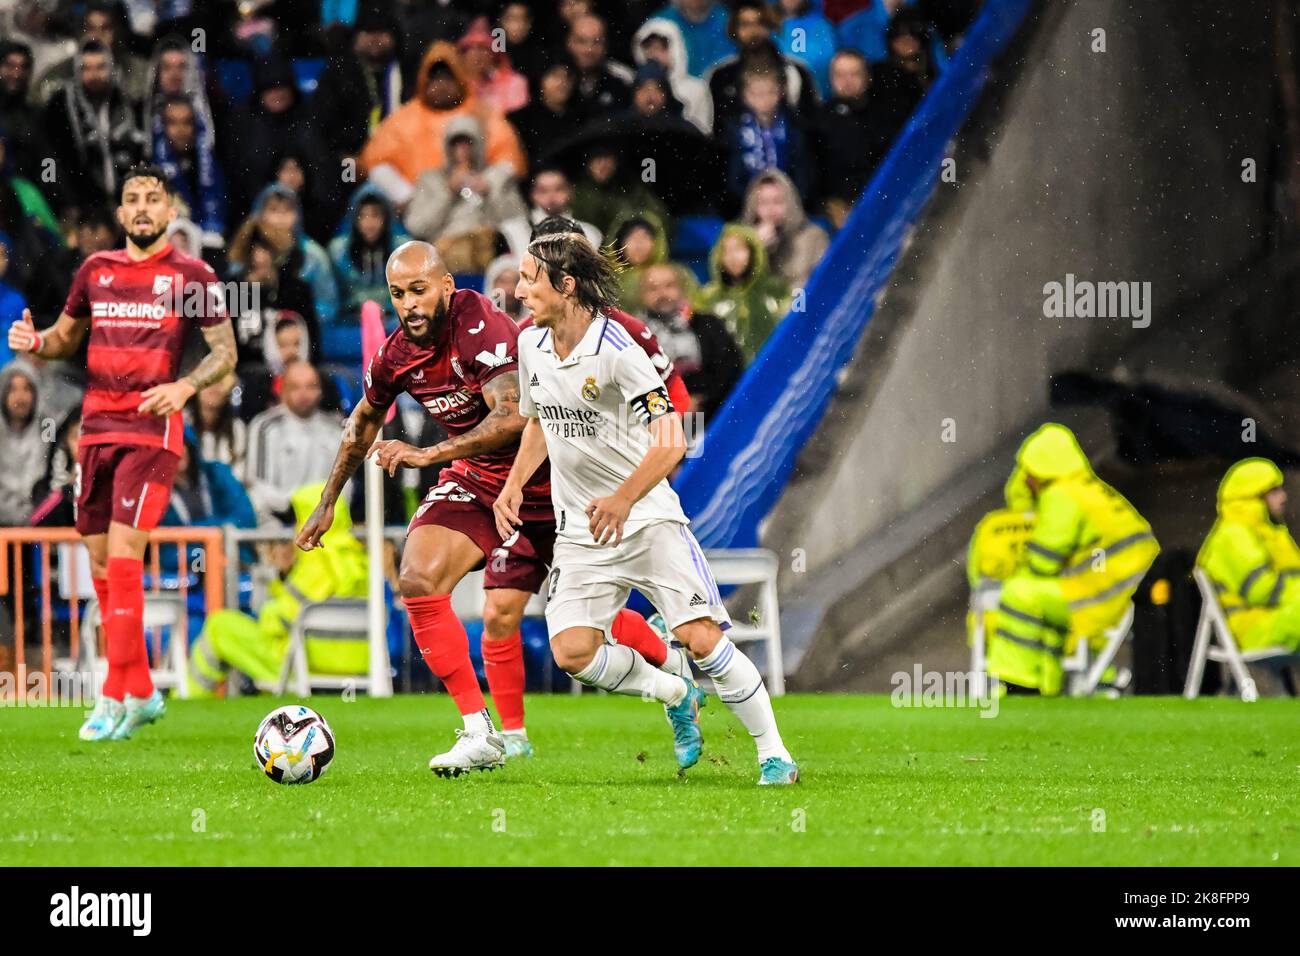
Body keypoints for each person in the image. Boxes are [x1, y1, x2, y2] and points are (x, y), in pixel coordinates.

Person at [295, 240, 678, 770]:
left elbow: (513, 417)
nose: (408, 304)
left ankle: (669, 669)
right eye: (398, 293)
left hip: (556, 484)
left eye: (419, 290)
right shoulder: (396, 353)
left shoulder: (480, 326)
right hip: (483, 488)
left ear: (447, 287)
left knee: (589, 636)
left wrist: (427, 453)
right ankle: (483, 732)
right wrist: (327, 501)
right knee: (420, 580)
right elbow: (363, 423)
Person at [499, 229, 799, 784]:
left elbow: (672, 440)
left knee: (702, 639)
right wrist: (513, 483)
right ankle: (673, 691)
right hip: (582, 530)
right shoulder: (530, 344)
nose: (517, 291)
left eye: (527, 280)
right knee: (572, 651)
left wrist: (623, 498)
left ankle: (774, 754)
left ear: (565, 286)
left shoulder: (618, 351)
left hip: (647, 520)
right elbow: (540, 418)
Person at [6, 163, 236, 740]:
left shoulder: (192, 275)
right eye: (131, 199)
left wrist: (185, 387)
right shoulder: (95, 270)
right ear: (119, 213)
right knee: (103, 565)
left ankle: (112, 695)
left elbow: (225, 353)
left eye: (151, 199)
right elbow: (65, 338)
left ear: (169, 210)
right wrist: (35, 342)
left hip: (151, 433)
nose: (140, 208)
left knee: (127, 556)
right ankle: (143, 691)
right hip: (96, 432)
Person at [985, 424, 1160, 696]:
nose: (1026, 480)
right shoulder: (1089, 488)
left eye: (1028, 472)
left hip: (1100, 595)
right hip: (1124, 591)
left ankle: (1021, 685)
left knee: (1020, 593)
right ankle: (1074, 680)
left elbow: (1044, 560)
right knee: (1042, 599)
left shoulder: (1061, 494)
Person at [188, 482, 367, 698]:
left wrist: (279, 579)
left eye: (296, 519)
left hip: (303, 664)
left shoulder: (316, 560)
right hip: (356, 665)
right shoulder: (360, 558)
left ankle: (186, 700)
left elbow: (277, 620)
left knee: (219, 626)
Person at [359, 41, 526, 214]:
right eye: (435, 78)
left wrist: (486, 182)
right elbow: (376, 164)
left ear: (460, 78)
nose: (441, 85)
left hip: (479, 205)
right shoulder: (401, 119)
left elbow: (509, 158)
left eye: (448, 78)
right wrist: (410, 198)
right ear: (424, 80)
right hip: (425, 211)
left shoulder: (483, 113)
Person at [1196, 459, 1300, 655]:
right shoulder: (1232, 535)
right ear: (1251, 497)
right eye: (1274, 491)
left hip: (1276, 619)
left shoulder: (1272, 533)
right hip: (1253, 628)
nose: (1284, 496)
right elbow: (1261, 589)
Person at [403, 115, 527, 273]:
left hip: (489, 260)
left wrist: (490, 192)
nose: (462, 150)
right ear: (447, 146)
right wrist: (447, 193)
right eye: (456, 144)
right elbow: (416, 226)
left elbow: (516, 222)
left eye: (468, 143)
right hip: (445, 260)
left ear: (479, 144)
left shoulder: (496, 177)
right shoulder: (431, 180)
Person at [40, 39, 147, 218]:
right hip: (81, 206)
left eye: (100, 67)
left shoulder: (126, 104)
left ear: (112, 69)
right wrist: (68, 204)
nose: (94, 75)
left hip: (127, 204)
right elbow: (52, 161)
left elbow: (139, 153)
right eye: (86, 68)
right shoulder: (61, 107)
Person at [640, 262, 743, 418]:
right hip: (659, 424)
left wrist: (701, 399)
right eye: (653, 288)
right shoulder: (633, 336)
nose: (662, 294)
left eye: (669, 286)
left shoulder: (708, 324)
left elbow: (731, 368)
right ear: (643, 295)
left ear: (681, 289)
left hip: (713, 417)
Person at [245, 361, 344, 523]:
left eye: (310, 387)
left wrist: (317, 507)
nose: (304, 394)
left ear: (320, 391)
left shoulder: (335, 429)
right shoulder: (264, 427)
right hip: (277, 521)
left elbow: (345, 487)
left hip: (325, 519)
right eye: (295, 387)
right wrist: (297, 505)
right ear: (282, 391)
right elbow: (257, 487)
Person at [706, 0, 819, 132]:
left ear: (770, 26)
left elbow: (810, 122)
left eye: (760, 23)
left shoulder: (796, 71)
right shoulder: (720, 76)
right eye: (745, 24)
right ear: (734, 29)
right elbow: (716, 128)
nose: (753, 31)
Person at [814, 48, 892, 225]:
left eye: (854, 74)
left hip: (882, 197)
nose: (847, 82)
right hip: (839, 206)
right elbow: (819, 174)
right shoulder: (819, 120)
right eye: (840, 75)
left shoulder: (885, 116)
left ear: (867, 77)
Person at [694, 223, 791, 360]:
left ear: (754, 252)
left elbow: (793, 328)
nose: (732, 257)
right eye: (726, 251)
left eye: (739, 249)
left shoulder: (777, 290)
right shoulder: (708, 296)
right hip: (728, 376)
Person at [724, 66, 815, 206]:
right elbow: (732, 178)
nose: (765, 99)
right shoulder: (734, 129)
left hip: (790, 204)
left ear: (781, 93)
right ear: (744, 96)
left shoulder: (795, 128)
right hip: (746, 205)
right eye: (757, 93)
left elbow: (803, 173)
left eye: (771, 92)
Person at [738, 168, 829, 289]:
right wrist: (755, 249)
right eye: (763, 203)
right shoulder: (741, 240)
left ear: (791, 203)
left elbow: (825, 283)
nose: (770, 210)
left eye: (778, 201)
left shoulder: (814, 237)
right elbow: (737, 289)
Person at [329, 184, 407, 324]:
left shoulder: (402, 249)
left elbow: (407, 293)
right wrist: (357, 310)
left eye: (375, 215)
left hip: (394, 321)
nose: (369, 223)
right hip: (351, 323)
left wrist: (386, 311)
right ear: (353, 219)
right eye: (362, 216)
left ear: (386, 217)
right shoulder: (338, 251)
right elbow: (333, 298)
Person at [632, 17, 712, 134]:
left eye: (661, 48)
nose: (654, 54)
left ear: (676, 48)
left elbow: (703, 132)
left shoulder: (696, 89)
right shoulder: (632, 85)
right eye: (648, 47)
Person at [500, 167, 602, 258]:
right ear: (532, 194)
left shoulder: (590, 233)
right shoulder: (512, 229)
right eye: (543, 191)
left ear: (570, 191)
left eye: (558, 189)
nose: (551, 196)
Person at [506, 59, 585, 166]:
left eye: (568, 77)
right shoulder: (520, 118)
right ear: (541, 79)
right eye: (556, 76)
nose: (563, 82)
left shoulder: (582, 117)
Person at [0, 360, 48, 525]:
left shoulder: (48, 428)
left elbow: (54, 479)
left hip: (41, 521)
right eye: (12, 389)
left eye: (26, 389)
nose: (20, 397)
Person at [457, 16, 528, 116]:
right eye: (472, 48)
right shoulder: (455, 84)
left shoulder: (514, 83)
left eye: (483, 48)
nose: (477, 54)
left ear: (493, 54)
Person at [565, 13, 633, 114]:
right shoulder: (553, 78)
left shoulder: (623, 78)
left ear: (606, 45)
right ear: (569, 43)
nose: (589, 50)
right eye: (581, 41)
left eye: (596, 42)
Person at [651, 0, 735, 77]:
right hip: (673, 87)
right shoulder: (660, 22)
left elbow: (729, 60)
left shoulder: (724, 19)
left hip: (716, 85)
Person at [773, 0, 838, 98]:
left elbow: (827, 61)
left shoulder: (821, 25)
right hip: (775, 96)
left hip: (815, 95)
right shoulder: (766, 24)